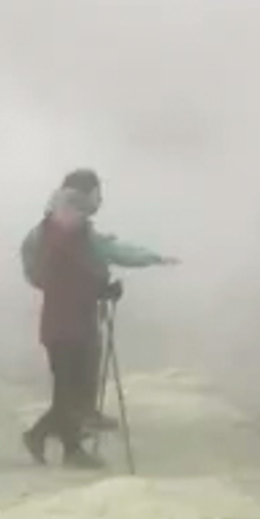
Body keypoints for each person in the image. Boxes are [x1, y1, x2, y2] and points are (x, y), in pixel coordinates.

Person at [49, 168, 176, 431]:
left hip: (64, 314)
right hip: (72, 316)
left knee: (70, 381)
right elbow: (108, 254)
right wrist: (100, 287)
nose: (100, 201)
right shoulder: (70, 230)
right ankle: (74, 429)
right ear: (83, 196)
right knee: (77, 375)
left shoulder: (61, 225)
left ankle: (60, 433)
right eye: (97, 194)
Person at [20, 188, 117, 469]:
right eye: (77, 212)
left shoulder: (66, 237)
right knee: (68, 394)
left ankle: (55, 442)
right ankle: (61, 446)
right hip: (64, 325)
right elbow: (75, 277)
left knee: (68, 393)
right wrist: (102, 288)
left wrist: (100, 287)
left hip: (70, 323)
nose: (81, 218)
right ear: (63, 212)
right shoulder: (59, 241)